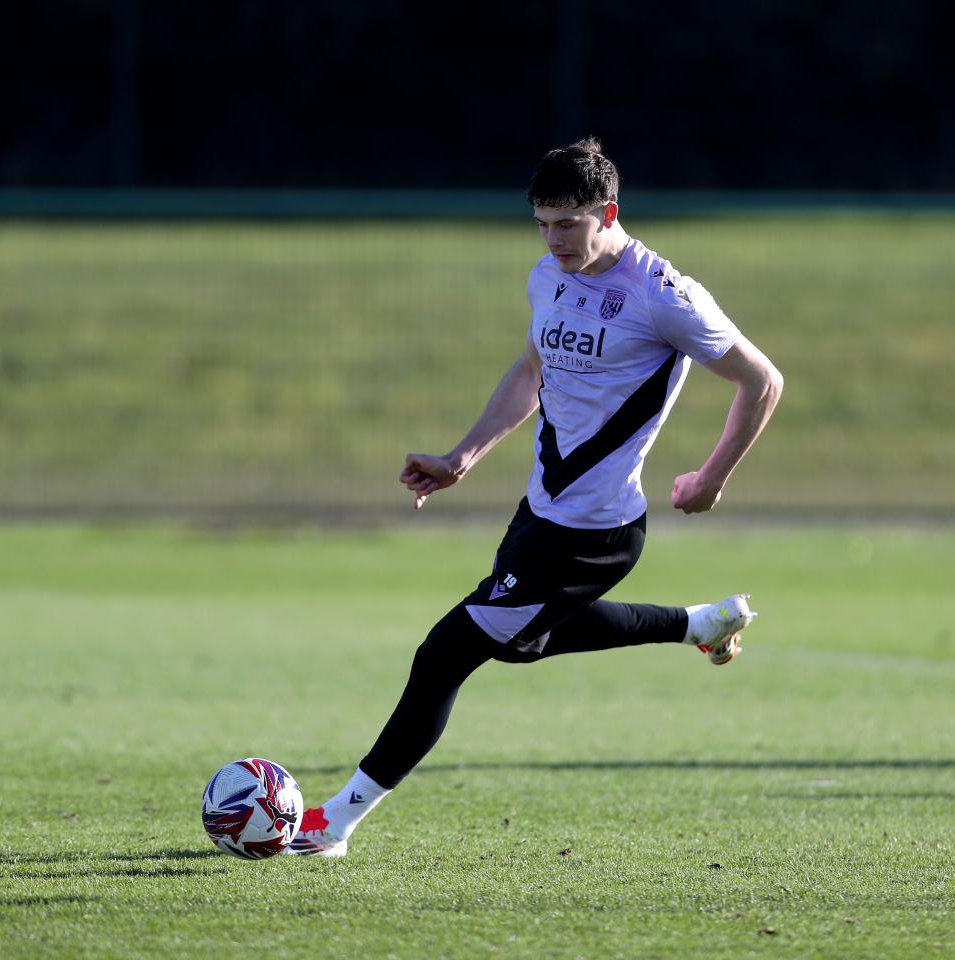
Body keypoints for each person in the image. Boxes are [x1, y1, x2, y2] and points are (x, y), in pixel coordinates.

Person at [285, 138, 783, 857]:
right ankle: (698, 624)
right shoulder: (548, 278)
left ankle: (335, 822)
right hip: (540, 515)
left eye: (568, 225)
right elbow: (530, 372)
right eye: (542, 224)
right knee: (522, 642)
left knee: (444, 654)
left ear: (607, 213)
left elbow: (762, 381)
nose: (554, 241)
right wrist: (462, 457)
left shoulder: (664, 295)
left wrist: (711, 478)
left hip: (593, 533)